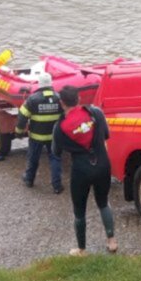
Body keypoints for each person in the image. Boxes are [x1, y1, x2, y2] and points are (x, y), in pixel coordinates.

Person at [52, 85, 117, 256]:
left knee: (79, 210)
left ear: (62, 103)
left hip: (81, 170)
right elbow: (106, 135)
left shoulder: (60, 126)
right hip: (102, 164)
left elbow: (55, 152)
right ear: (79, 98)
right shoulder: (95, 113)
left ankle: (82, 249)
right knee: (103, 202)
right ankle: (111, 240)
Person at [15, 72, 64, 194]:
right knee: (55, 159)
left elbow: (22, 117)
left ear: (39, 84)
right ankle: (57, 186)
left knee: (33, 158)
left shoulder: (32, 99)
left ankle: (29, 180)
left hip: (36, 137)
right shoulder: (59, 98)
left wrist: (19, 132)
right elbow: (66, 116)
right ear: (51, 83)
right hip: (54, 137)